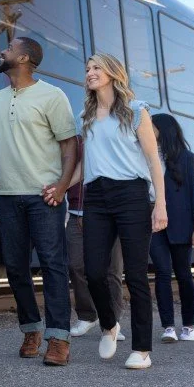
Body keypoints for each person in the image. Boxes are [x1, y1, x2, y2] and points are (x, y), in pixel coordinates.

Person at [48, 53, 166, 369]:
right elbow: (86, 164)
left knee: (137, 274)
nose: (90, 72)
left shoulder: (136, 111)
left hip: (132, 194)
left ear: (113, 73)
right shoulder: (85, 117)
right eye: (87, 69)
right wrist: (61, 188)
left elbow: (154, 161)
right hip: (96, 196)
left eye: (96, 67)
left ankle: (142, 350)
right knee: (94, 270)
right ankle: (109, 325)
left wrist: (161, 206)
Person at [0, 37, 77, 366]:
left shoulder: (52, 96)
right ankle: (31, 329)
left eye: (8, 48)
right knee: (15, 267)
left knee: (53, 266)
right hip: (8, 198)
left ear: (23, 58)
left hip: (44, 197)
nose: (2, 51)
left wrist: (63, 186)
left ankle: (58, 338)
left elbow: (70, 146)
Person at [66, 136, 128, 342]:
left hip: (110, 213)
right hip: (76, 211)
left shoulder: (114, 137)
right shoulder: (74, 140)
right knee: (75, 265)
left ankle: (112, 322)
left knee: (112, 271)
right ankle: (88, 315)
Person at [150, 113, 194, 343]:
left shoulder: (186, 158)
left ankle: (189, 326)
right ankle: (168, 327)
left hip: (181, 225)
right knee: (162, 273)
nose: (148, 131)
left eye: (152, 127)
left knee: (183, 274)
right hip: (153, 224)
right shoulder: (146, 156)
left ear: (164, 130)